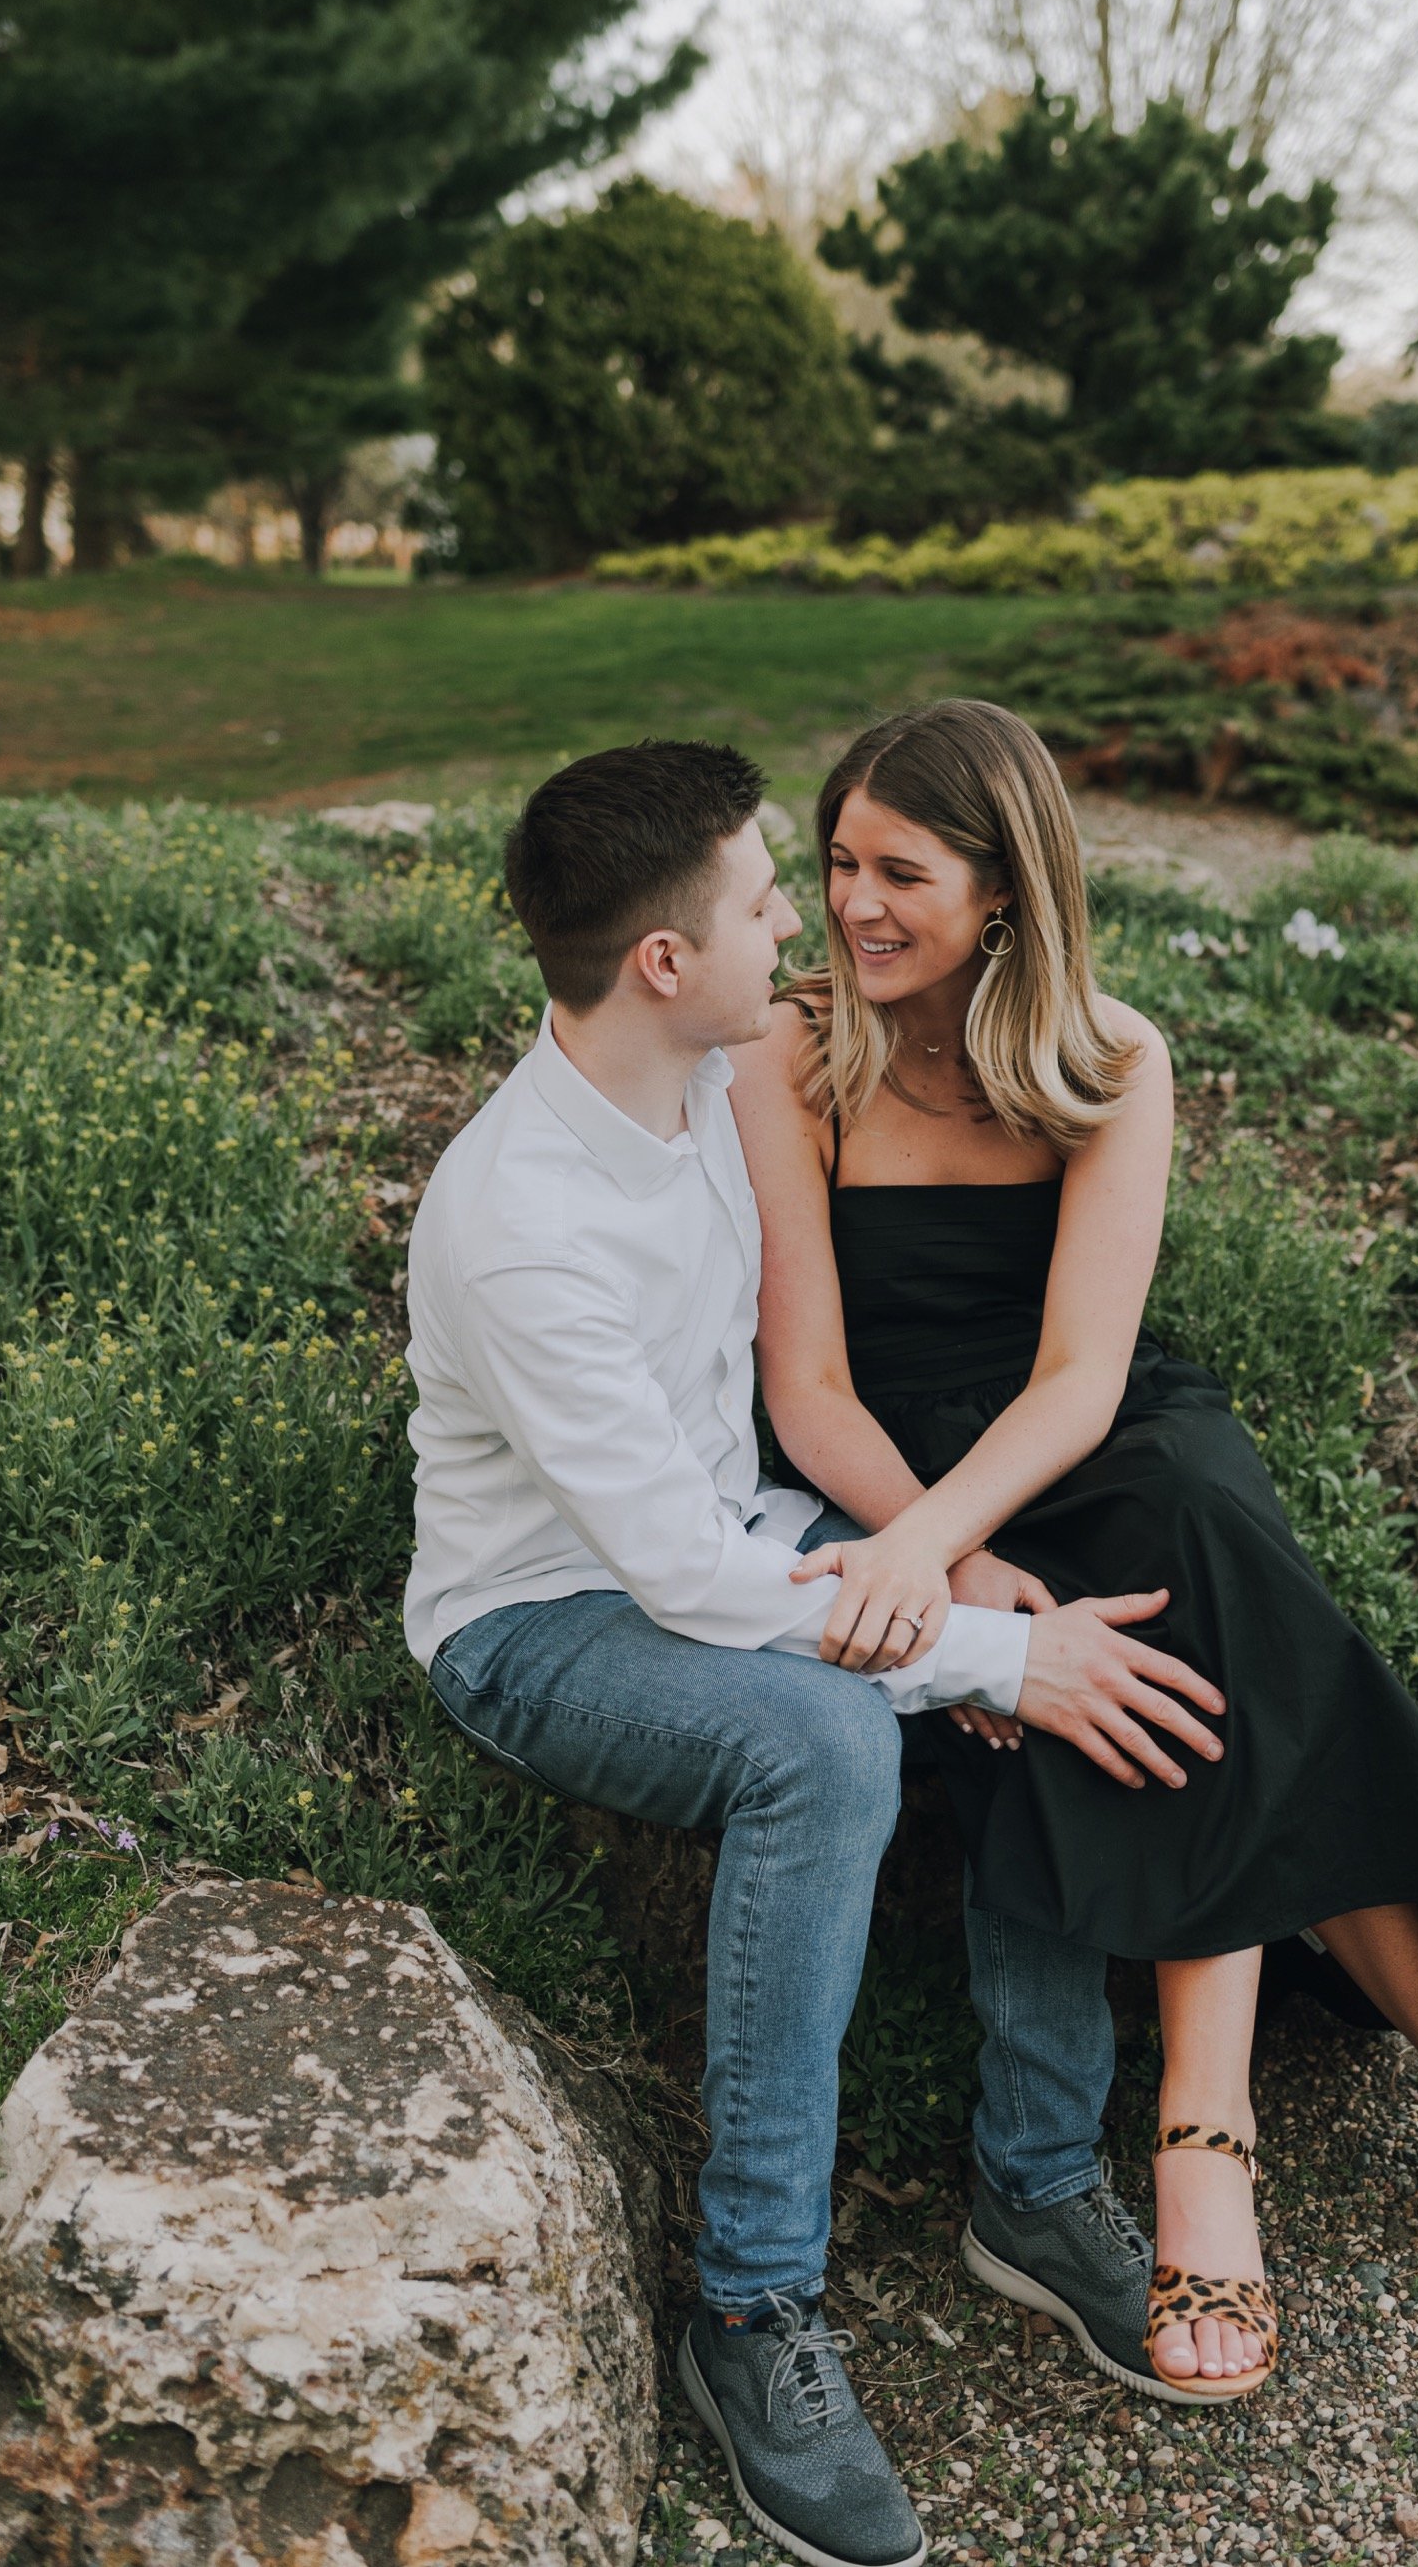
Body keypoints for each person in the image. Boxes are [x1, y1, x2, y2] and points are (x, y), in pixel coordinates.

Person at [730, 698, 1418, 2406]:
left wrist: (962, 1539)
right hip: (886, 1459)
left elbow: (1082, 1378)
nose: (850, 904)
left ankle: (1216, 2123)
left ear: (1008, 889)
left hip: (1079, 1437)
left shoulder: (1111, 1056)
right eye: (836, 862)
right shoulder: (790, 1048)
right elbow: (806, 1384)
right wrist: (943, 1557)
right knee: (1206, 1596)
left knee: (1184, 1523)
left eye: (900, 870)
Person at [404, 739, 1238, 2567]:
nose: (809, 921)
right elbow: (680, 1578)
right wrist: (979, 1657)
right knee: (848, 1735)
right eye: (768, 897)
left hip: (743, 1540)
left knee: (1010, 1628)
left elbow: (770, 1461)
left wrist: (985, 1616)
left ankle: (1033, 2178)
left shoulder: (708, 1079)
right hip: (546, 1622)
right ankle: (753, 2305)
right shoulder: (517, 1227)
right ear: (661, 962)